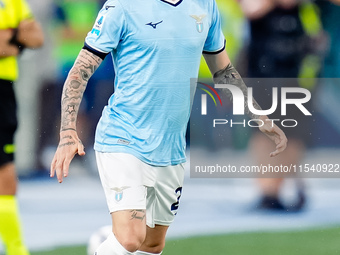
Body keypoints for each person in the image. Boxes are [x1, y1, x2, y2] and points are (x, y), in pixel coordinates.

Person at [50, 0, 287, 254]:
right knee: (130, 237)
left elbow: (223, 71)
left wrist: (258, 114)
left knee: (152, 244)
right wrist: (67, 133)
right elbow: (79, 71)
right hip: (123, 136)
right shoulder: (122, 6)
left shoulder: (205, 6)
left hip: (170, 146)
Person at [239, 0, 322, 211]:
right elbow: (251, 9)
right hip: (263, 77)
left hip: (298, 78)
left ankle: (283, 186)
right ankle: (269, 192)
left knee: (295, 135)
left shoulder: (305, 9)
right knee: (264, 134)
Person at [0, 0, 44, 254]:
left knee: (7, 177)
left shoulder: (13, 2)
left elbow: (37, 37)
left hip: (5, 92)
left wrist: (10, 37)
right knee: (5, 176)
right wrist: (19, 35)